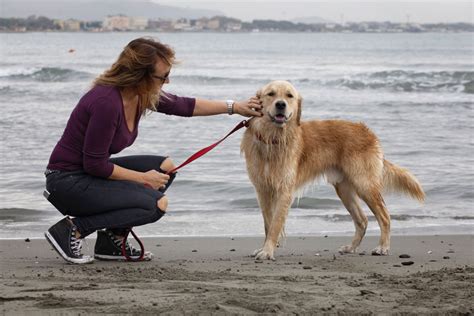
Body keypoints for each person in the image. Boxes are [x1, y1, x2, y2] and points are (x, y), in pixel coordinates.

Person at [44, 37, 262, 264]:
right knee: (156, 204)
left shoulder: (138, 95)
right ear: (140, 75)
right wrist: (142, 178)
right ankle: (73, 229)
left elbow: (184, 105)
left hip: (86, 175)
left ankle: (111, 239)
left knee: (166, 168)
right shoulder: (106, 103)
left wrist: (235, 107)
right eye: (163, 76)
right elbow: (95, 164)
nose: (167, 82)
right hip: (67, 183)